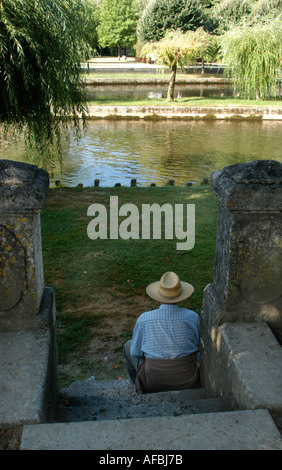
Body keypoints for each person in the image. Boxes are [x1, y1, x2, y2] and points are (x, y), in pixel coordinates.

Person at [123, 271, 200, 394]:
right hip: (187, 379)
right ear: (180, 296)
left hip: (153, 381)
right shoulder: (192, 317)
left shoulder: (144, 319)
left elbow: (135, 352)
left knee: (128, 346)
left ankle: (136, 386)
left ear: (159, 296)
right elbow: (198, 347)